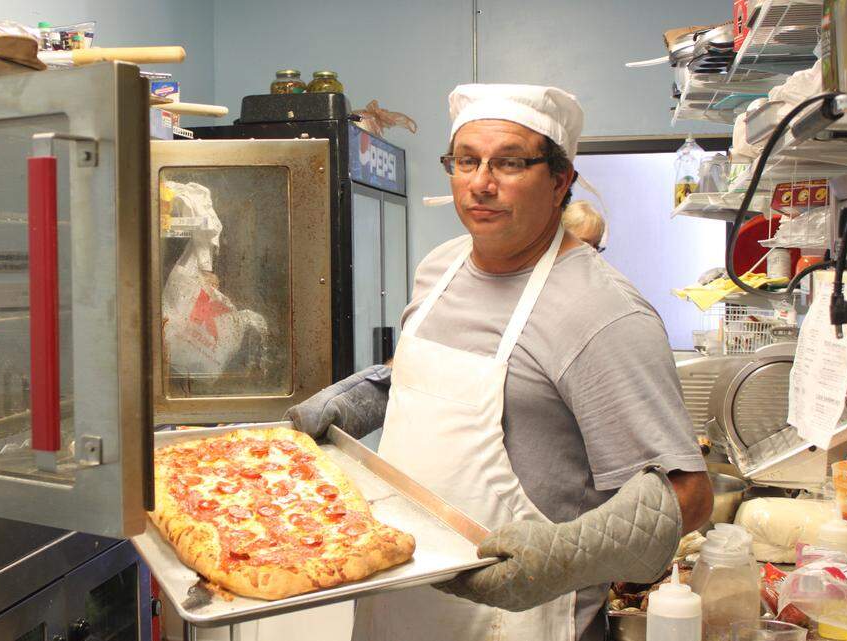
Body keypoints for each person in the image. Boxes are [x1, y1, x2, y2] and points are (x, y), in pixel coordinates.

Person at [286, 84, 712, 641]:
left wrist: (564, 557)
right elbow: (418, 379)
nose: (481, 184)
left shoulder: (602, 313)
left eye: (509, 163)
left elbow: (689, 494)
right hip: (400, 604)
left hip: (520, 621)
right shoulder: (440, 268)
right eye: (466, 161)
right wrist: (356, 400)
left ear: (561, 181)